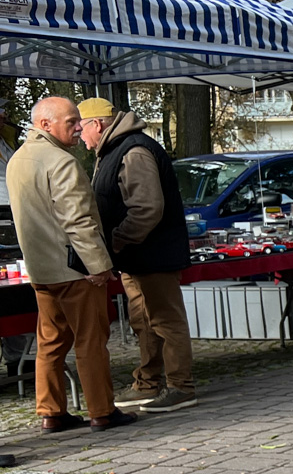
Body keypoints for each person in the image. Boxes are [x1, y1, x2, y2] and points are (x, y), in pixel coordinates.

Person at [7, 97, 136, 433]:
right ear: (45, 124)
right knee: (90, 340)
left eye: (78, 120)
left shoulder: (17, 159)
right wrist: (98, 266)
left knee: (50, 342)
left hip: (41, 269)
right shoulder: (61, 161)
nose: (79, 126)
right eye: (71, 121)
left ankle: (51, 412)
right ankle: (102, 411)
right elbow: (78, 220)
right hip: (75, 269)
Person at [79, 99, 196, 414]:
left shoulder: (134, 151)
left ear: (97, 124)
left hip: (152, 253)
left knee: (166, 320)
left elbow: (147, 209)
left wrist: (117, 239)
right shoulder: (115, 149)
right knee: (143, 321)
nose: (79, 135)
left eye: (81, 127)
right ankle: (148, 383)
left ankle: (181, 386)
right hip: (136, 254)